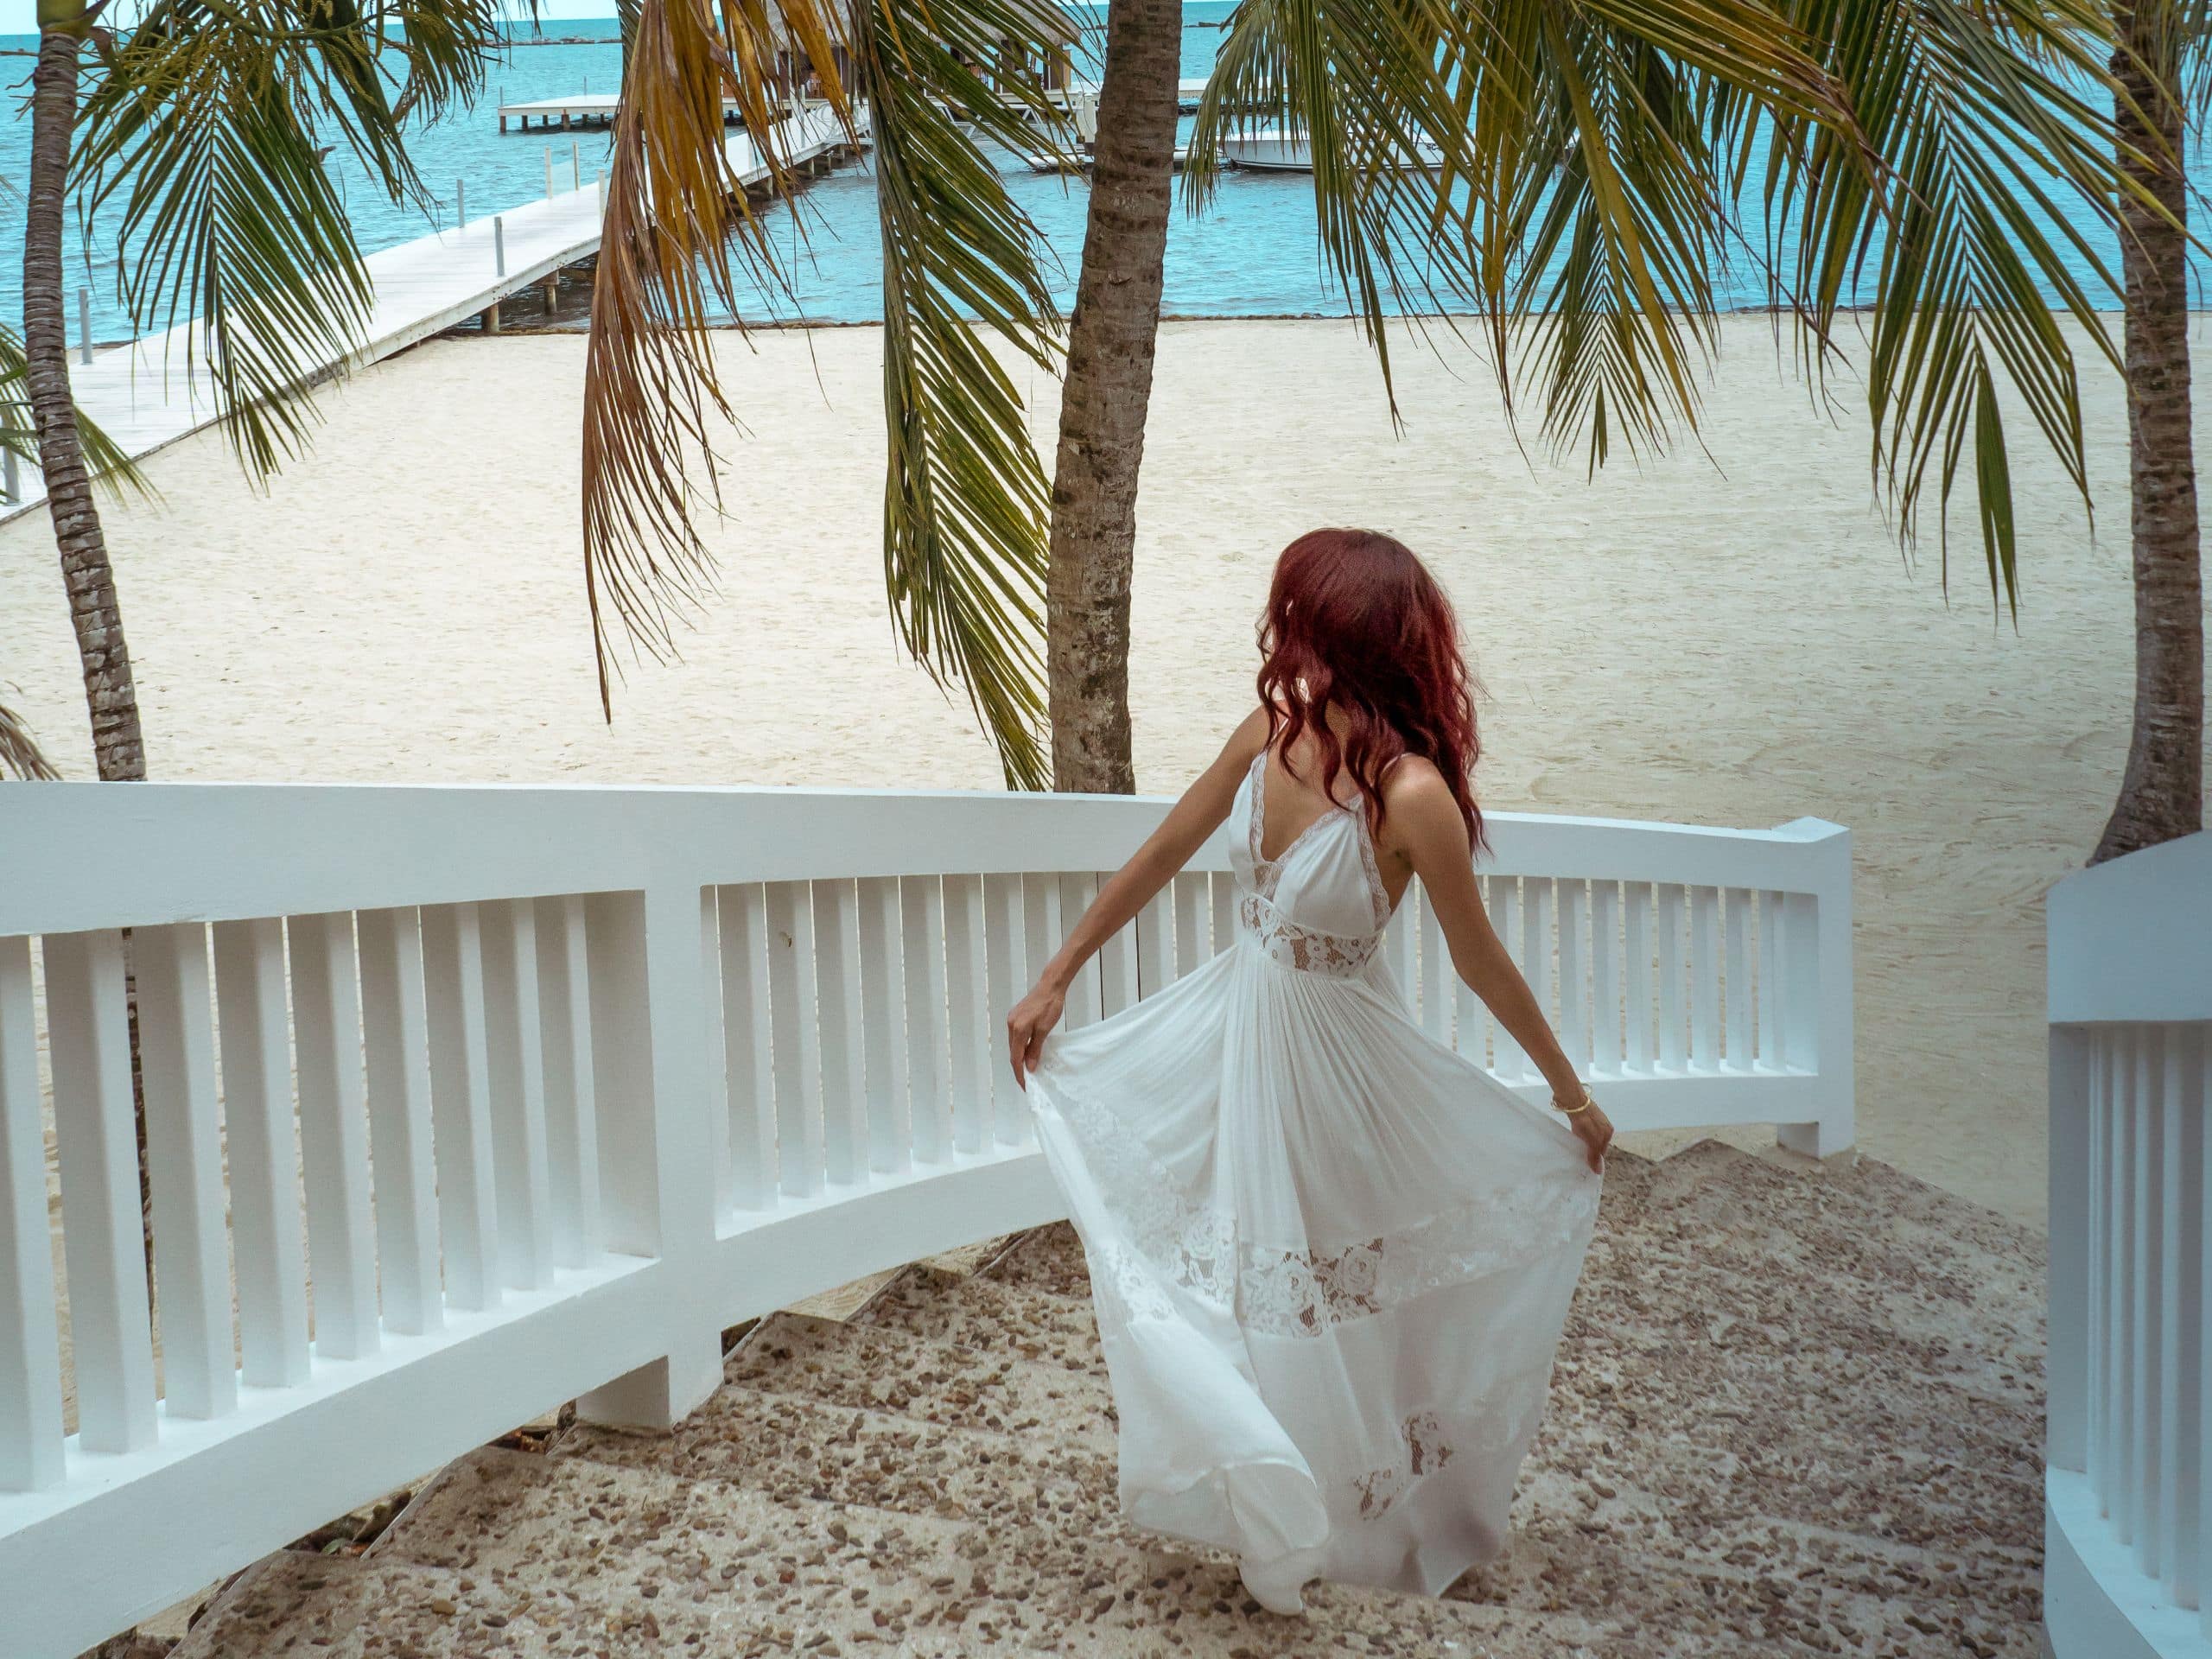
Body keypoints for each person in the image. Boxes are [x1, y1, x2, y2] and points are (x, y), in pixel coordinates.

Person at [1006, 527, 1611, 1616]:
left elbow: (1478, 960)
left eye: (1301, 616)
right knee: (1248, 1279)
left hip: (1341, 1075)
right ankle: (1275, 1504)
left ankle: (1356, 1518)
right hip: (1241, 1036)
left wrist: (1569, 1096)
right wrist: (1056, 976)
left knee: (1331, 1290)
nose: (1284, 635)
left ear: (1352, 634)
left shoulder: (1410, 795)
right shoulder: (1268, 734)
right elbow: (1160, 852)